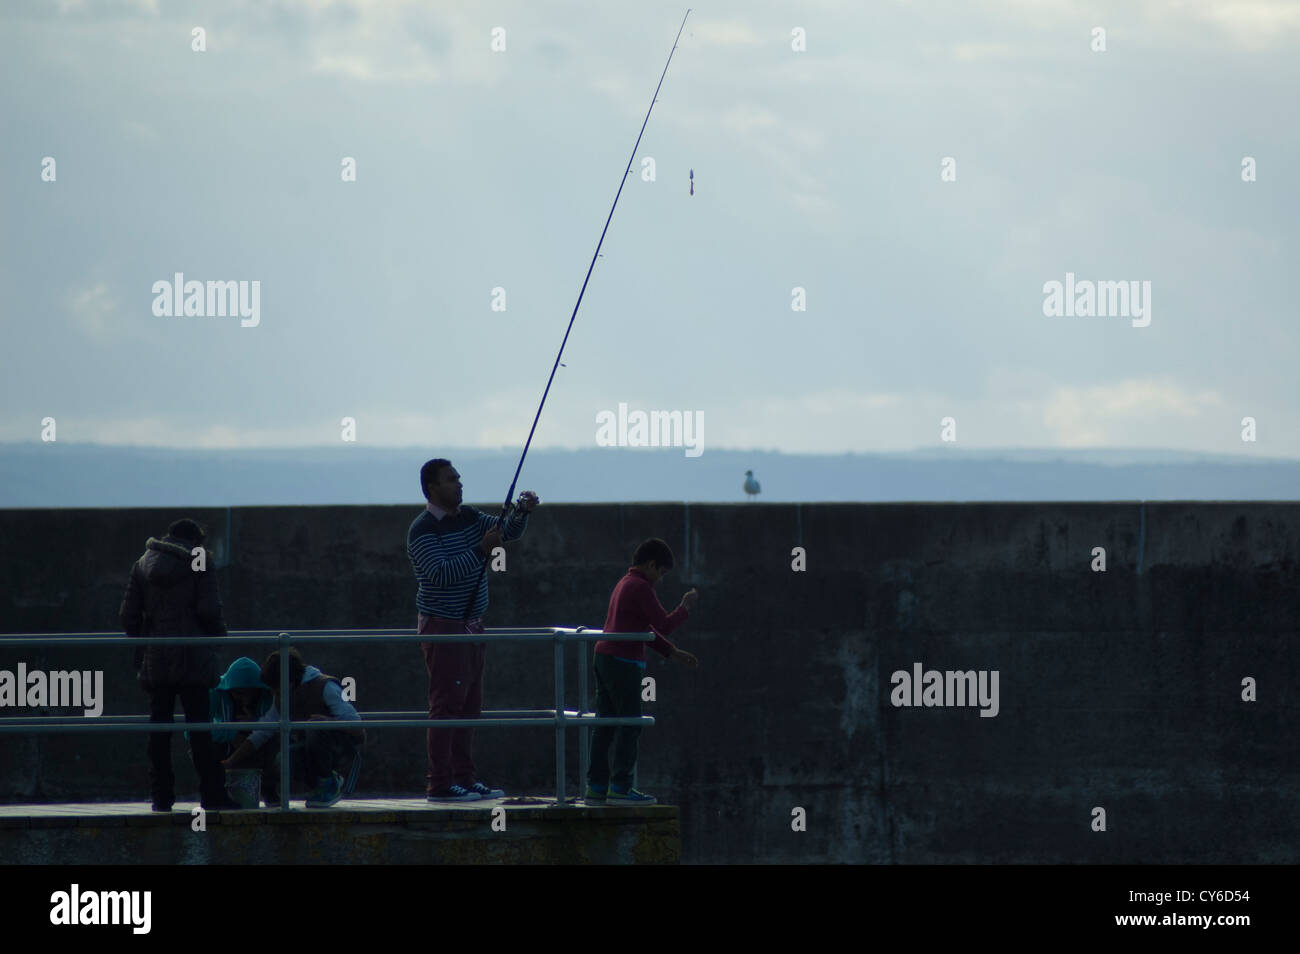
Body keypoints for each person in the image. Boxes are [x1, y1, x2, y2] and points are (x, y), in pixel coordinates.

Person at [408, 458, 539, 802]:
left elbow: (504, 532)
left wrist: (521, 512)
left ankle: (464, 779)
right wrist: (481, 549)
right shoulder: (422, 530)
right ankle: (440, 783)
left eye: (458, 478)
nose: (459, 483)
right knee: (445, 706)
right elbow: (442, 573)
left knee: (469, 706)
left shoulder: (470, 517)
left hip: (472, 625)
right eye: (451, 480)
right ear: (432, 488)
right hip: (443, 625)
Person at [119, 518, 239, 811]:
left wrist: (146, 638)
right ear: (196, 540)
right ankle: (212, 795)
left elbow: (128, 616)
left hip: (156, 657)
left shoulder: (143, 564)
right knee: (200, 728)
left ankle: (161, 797)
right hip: (192, 656)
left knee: (159, 729)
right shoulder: (198, 560)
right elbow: (208, 608)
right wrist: (217, 635)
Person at [586, 538, 699, 806]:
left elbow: (643, 629)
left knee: (606, 724)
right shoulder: (640, 586)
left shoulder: (624, 583)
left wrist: (672, 652)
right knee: (631, 723)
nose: (660, 579)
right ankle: (622, 787)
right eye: (661, 572)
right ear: (650, 564)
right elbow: (663, 624)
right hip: (623, 662)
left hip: (604, 657)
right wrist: (685, 607)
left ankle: (597, 787)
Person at [221, 649, 363, 808]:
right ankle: (318, 782)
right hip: (311, 749)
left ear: (289, 682)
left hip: (339, 747)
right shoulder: (281, 698)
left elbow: (358, 728)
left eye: (277, 689)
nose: (275, 694)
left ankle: (327, 781)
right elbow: (261, 733)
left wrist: (328, 722)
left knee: (315, 728)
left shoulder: (327, 687)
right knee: (282, 758)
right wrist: (231, 762)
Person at [200, 657, 276, 806]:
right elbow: (192, 733)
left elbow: (276, 729)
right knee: (205, 747)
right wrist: (232, 733)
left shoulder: (269, 696)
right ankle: (216, 793)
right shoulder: (215, 693)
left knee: (276, 744)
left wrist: (255, 723)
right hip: (226, 746)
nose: (245, 699)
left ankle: (269, 790)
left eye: (250, 693)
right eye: (239, 693)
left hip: (258, 746)